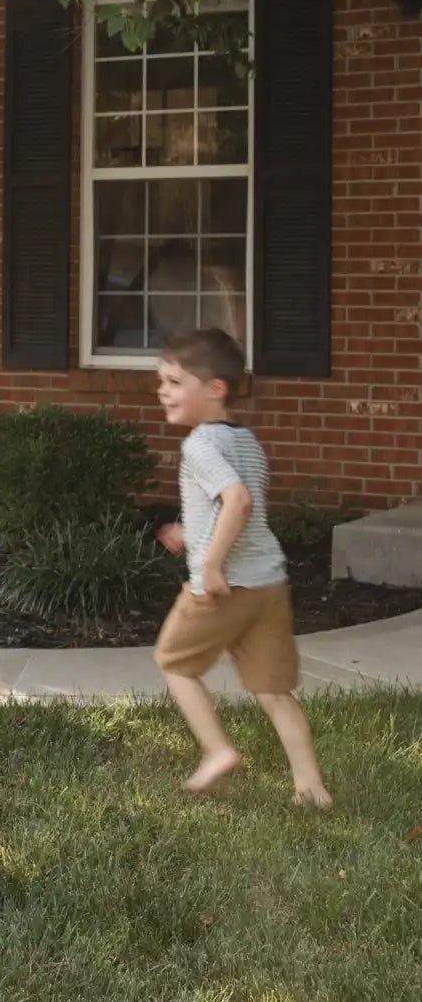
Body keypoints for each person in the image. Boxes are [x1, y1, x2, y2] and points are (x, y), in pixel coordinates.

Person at [153, 327, 332, 809]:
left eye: (173, 381)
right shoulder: (246, 441)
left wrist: (209, 564)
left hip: (223, 587)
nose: (162, 391)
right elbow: (232, 511)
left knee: (174, 663)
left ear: (215, 390)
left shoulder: (199, 445)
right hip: (268, 583)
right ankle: (310, 787)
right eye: (161, 381)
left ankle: (217, 750)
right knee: (273, 691)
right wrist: (190, 531)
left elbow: (238, 500)